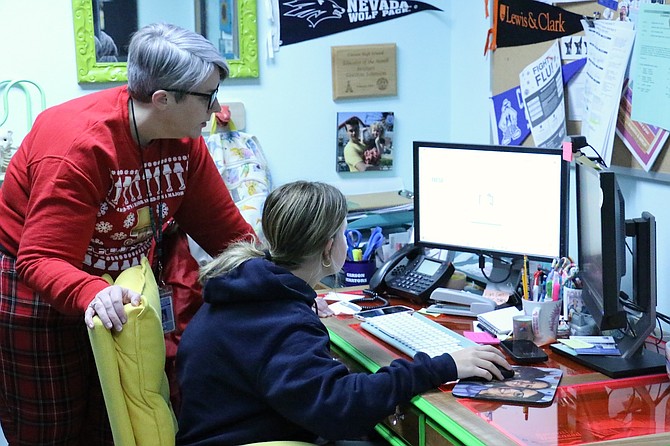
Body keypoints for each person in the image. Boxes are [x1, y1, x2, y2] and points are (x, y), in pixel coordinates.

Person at [0, 22, 254, 444]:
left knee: (117, 424)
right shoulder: (79, 147)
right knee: (52, 431)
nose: (215, 108)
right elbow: (38, 259)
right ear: (162, 99)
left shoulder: (183, 140)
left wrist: (286, 281)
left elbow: (228, 234)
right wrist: (90, 292)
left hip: (116, 286)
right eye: (208, 97)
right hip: (36, 291)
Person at [175, 180, 511, 445]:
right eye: (344, 233)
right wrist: (444, 365)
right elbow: (338, 409)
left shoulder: (254, 293)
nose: (347, 242)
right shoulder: (280, 320)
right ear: (327, 248)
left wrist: (300, 309)